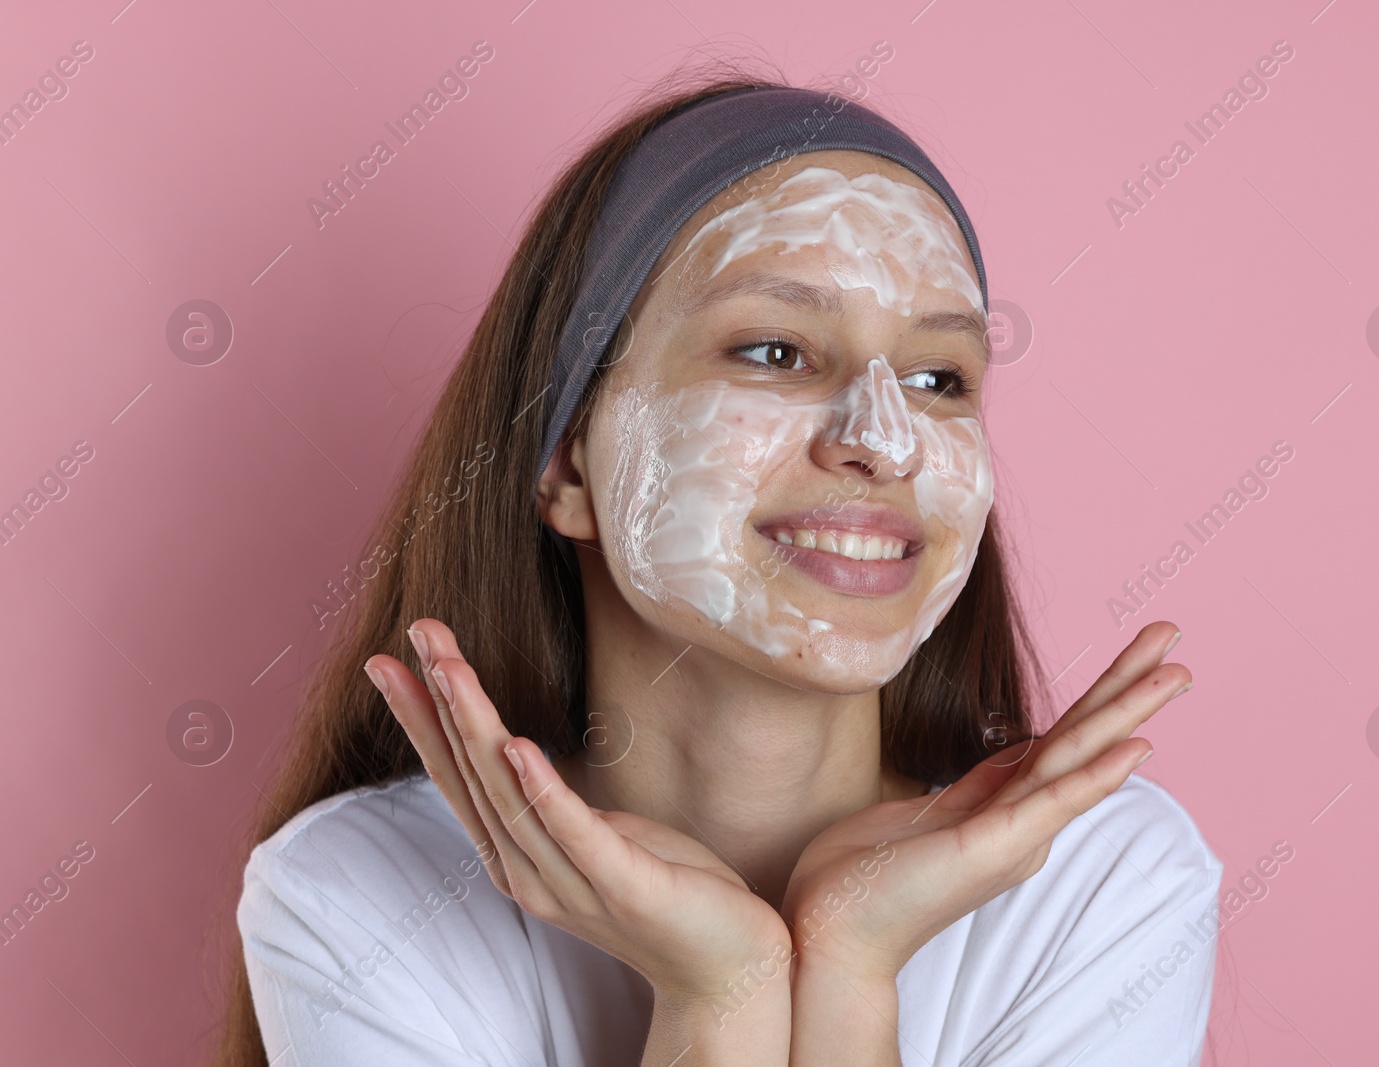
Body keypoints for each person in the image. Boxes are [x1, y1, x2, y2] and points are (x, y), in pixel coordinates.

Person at [215, 70, 1220, 1066]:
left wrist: (850, 960)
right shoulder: (366, 892)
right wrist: (719, 997)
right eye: (777, 351)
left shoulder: (1100, 875)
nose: (887, 439)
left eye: (936, 377)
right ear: (566, 458)